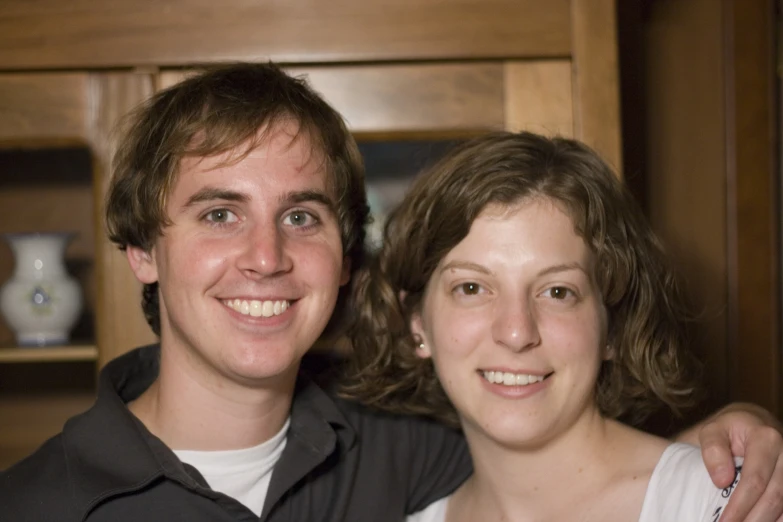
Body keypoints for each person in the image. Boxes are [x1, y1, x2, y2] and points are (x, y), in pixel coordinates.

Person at [0, 63, 780, 522]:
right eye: (219, 213)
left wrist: (735, 434)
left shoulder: (410, 441)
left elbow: (576, 449)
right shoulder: (34, 506)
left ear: (346, 257)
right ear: (141, 248)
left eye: (300, 216)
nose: (265, 257)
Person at [342, 130, 781, 521]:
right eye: (472, 288)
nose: (516, 333)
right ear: (417, 323)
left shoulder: (732, 503)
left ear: (612, 327)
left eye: (557, 292)